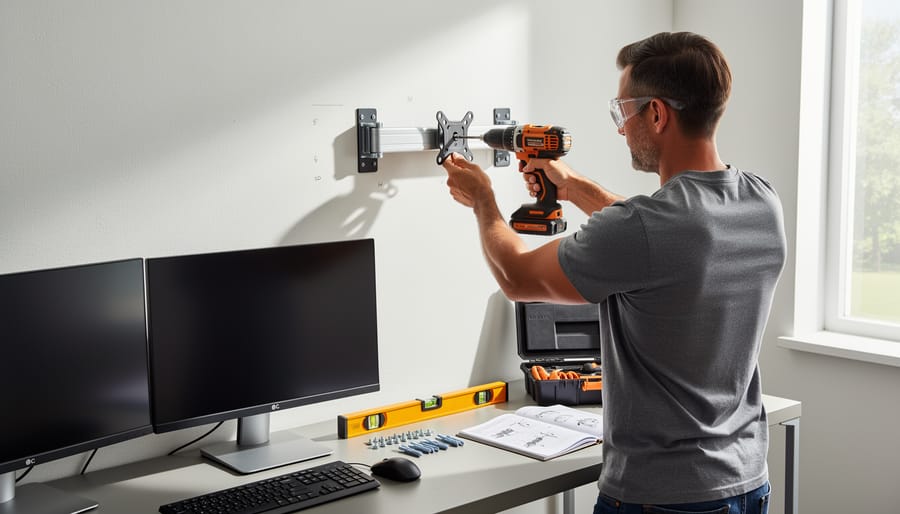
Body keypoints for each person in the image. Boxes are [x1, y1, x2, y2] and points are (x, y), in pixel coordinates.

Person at [441, 31, 785, 514]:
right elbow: (671, 231)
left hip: (662, 498)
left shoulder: (644, 229)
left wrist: (482, 200)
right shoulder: (760, 198)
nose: (621, 128)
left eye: (623, 111)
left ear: (658, 114)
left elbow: (517, 277)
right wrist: (575, 187)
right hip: (747, 483)